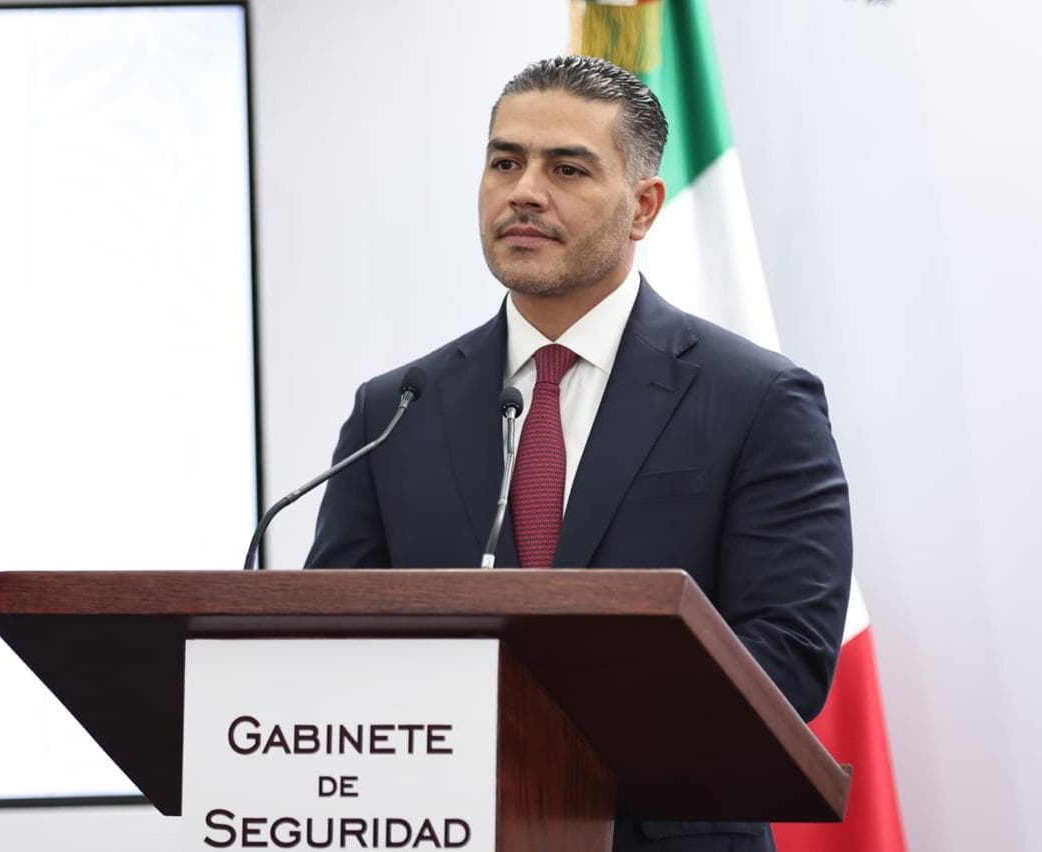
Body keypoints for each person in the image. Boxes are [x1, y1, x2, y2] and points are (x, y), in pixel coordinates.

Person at [306, 55, 851, 852]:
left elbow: (787, 656)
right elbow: (332, 632)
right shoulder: (396, 409)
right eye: (505, 162)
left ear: (643, 206)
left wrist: (547, 719)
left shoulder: (757, 401)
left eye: (567, 168)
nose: (525, 190)